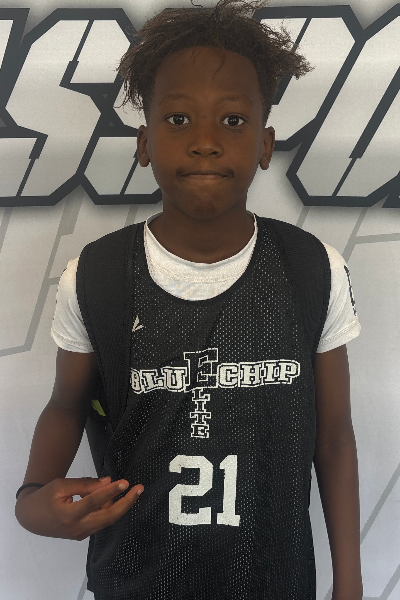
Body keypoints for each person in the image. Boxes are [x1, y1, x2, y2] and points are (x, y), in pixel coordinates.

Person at [15, 1, 363, 598]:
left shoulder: (312, 269)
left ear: (264, 144)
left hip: (274, 581)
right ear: (145, 143)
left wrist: (349, 583)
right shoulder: (96, 275)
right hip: (137, 579)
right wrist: (31, 501)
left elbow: (333, 439)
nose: (205, 142)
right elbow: (67, 404)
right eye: (178, 119)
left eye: (232, 120)